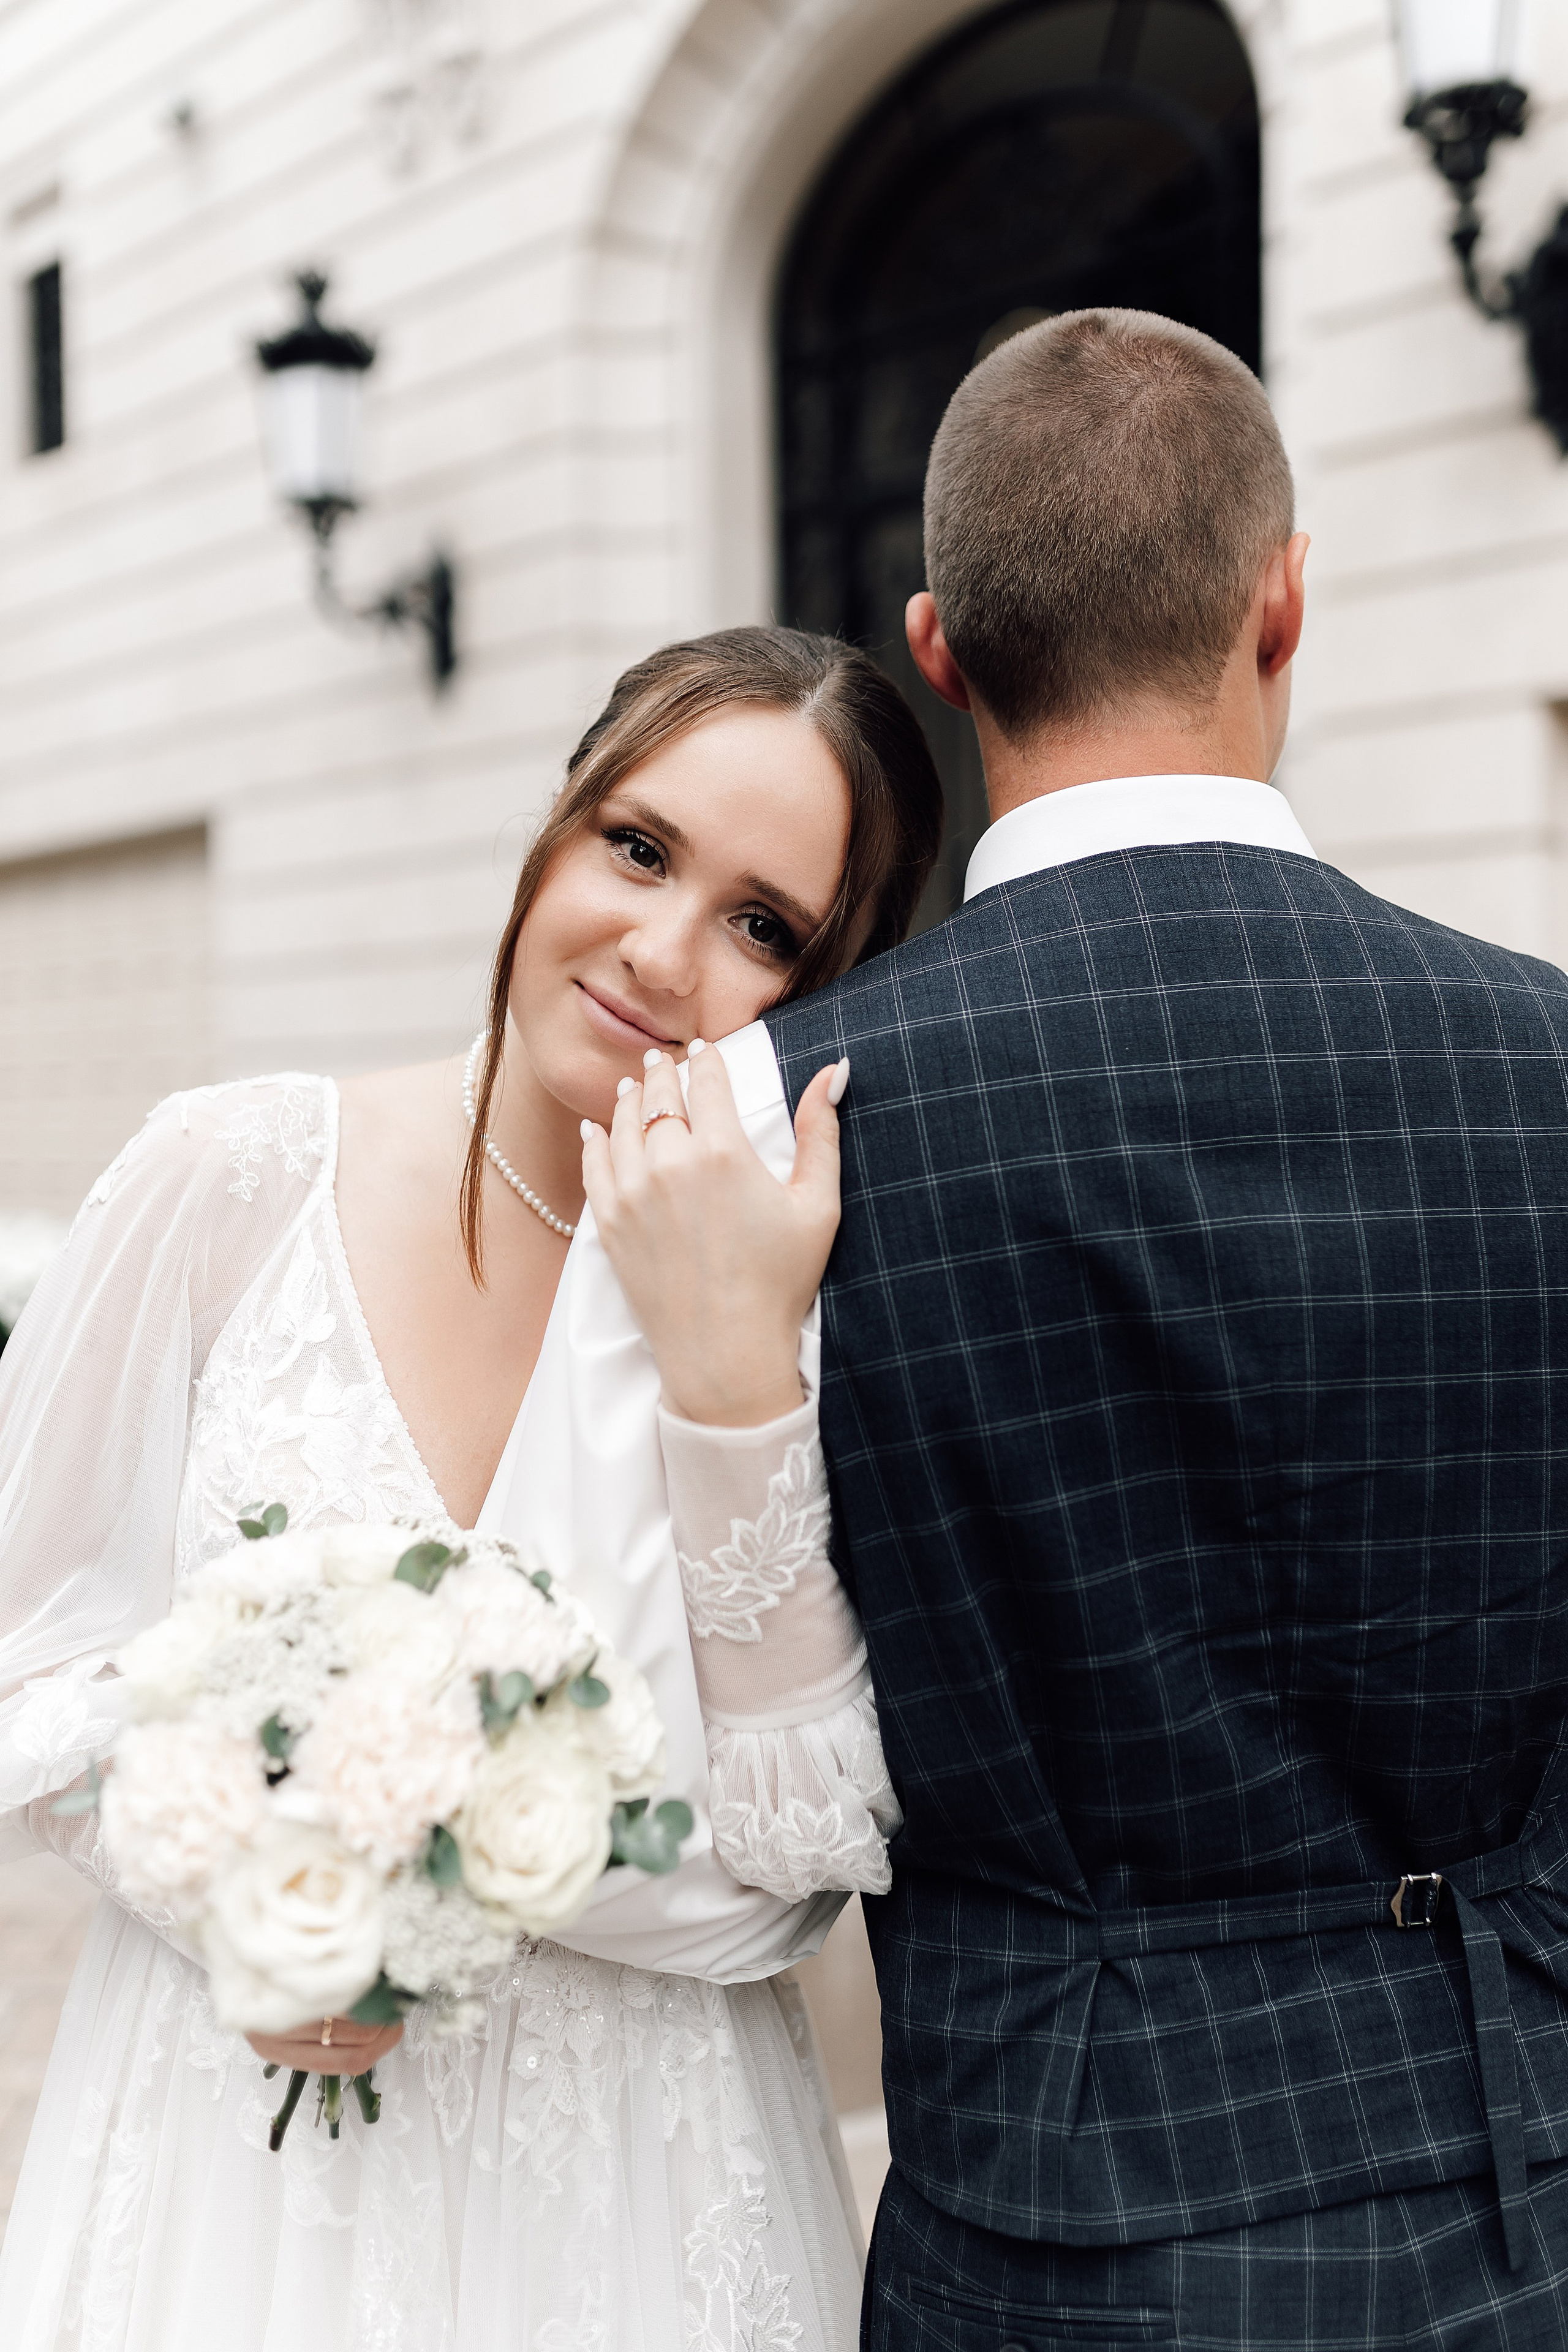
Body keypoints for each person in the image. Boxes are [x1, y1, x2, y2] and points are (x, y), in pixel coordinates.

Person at [587, 310, 1568, 2348]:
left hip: (1047, 2215)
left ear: (938, 648)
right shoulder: (1552, 1063)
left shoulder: (755, 1130)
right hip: (1518, 2175)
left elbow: (758, 1730)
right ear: (1282, 606)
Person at [0, 626, 941, 2352]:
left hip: (642, 2199)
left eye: (761, 927)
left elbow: (810, 1853)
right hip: (240, 2174)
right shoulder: (228, 1178)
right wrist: (264, 1888)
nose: (661, 952)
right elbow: (25, 1665)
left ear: (830, 989)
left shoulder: (819, 1293)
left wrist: (734, 1372)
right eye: (637, 847)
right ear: (557, 822)